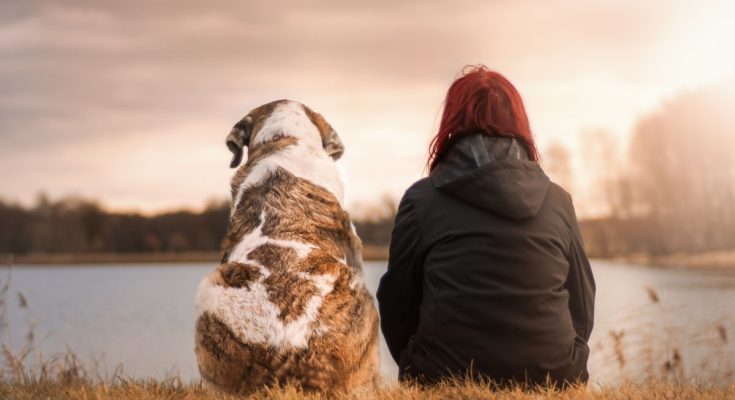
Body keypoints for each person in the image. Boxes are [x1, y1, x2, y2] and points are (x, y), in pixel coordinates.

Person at [376, 65, 595, 388]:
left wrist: (417, 365)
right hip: (554, 377)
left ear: (452, 123)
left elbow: (397, 304)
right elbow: (582, 302)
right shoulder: (558, 201)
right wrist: (563, 360)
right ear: (519, 123)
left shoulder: (421, 200)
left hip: (443, 378)